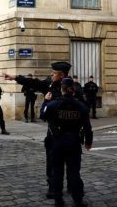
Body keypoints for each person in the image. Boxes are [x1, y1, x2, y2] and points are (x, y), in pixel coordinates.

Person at [3, 61, 71, 199]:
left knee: (71, 161)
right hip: (54, 131)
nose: (51, 74)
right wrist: (16, 77)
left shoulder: (72, 87)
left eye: (54, 73)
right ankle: (53, 187)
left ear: (62, 74)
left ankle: (72, 185)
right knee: (51, 160)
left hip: (70, 131)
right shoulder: (49, 84)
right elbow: (34, 83)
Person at [41, 77, 92, 207]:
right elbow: (87, 125)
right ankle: (78, 199)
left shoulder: (53, 104)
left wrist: (45, 101)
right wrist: (88, 141)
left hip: (57, 142)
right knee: (74, 171)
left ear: (61, 89)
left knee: (57, 172)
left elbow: (42, 115)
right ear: (73, 90)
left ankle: (58, 200)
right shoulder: (80, 106)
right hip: (74, 142)